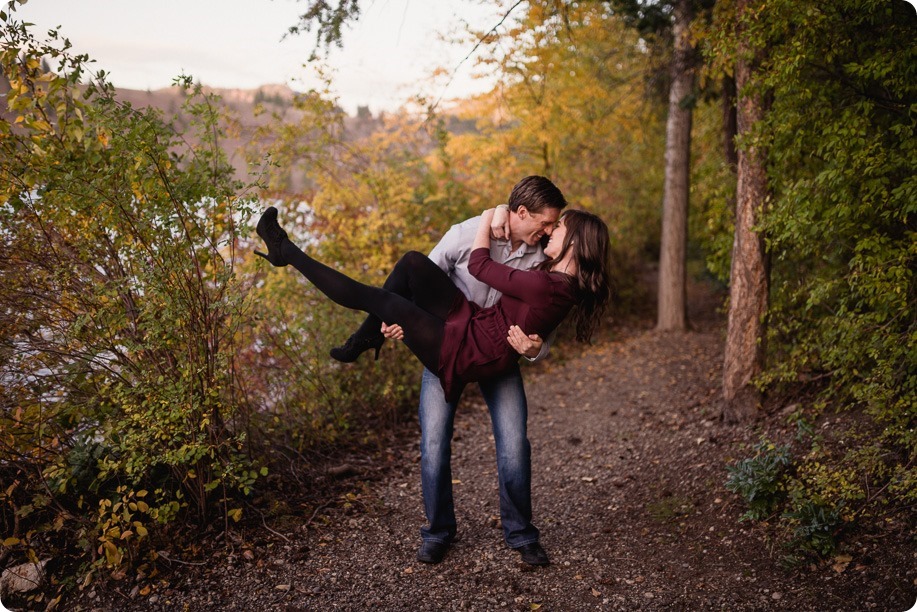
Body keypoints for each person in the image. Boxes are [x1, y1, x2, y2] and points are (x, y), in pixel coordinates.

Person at [254, 177, 610, 566]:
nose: (547, 232)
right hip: (456, 326)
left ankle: (522, 535)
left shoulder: (546, 260)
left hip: (486, 350)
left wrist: (537, 350)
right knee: (433, 443)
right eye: (545, 224)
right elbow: (419, 281)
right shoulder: (466, 235)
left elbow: (538, 320)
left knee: (514, 447)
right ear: (521, 213)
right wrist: (398, 321)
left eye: (555, 228)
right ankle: (439, 531)